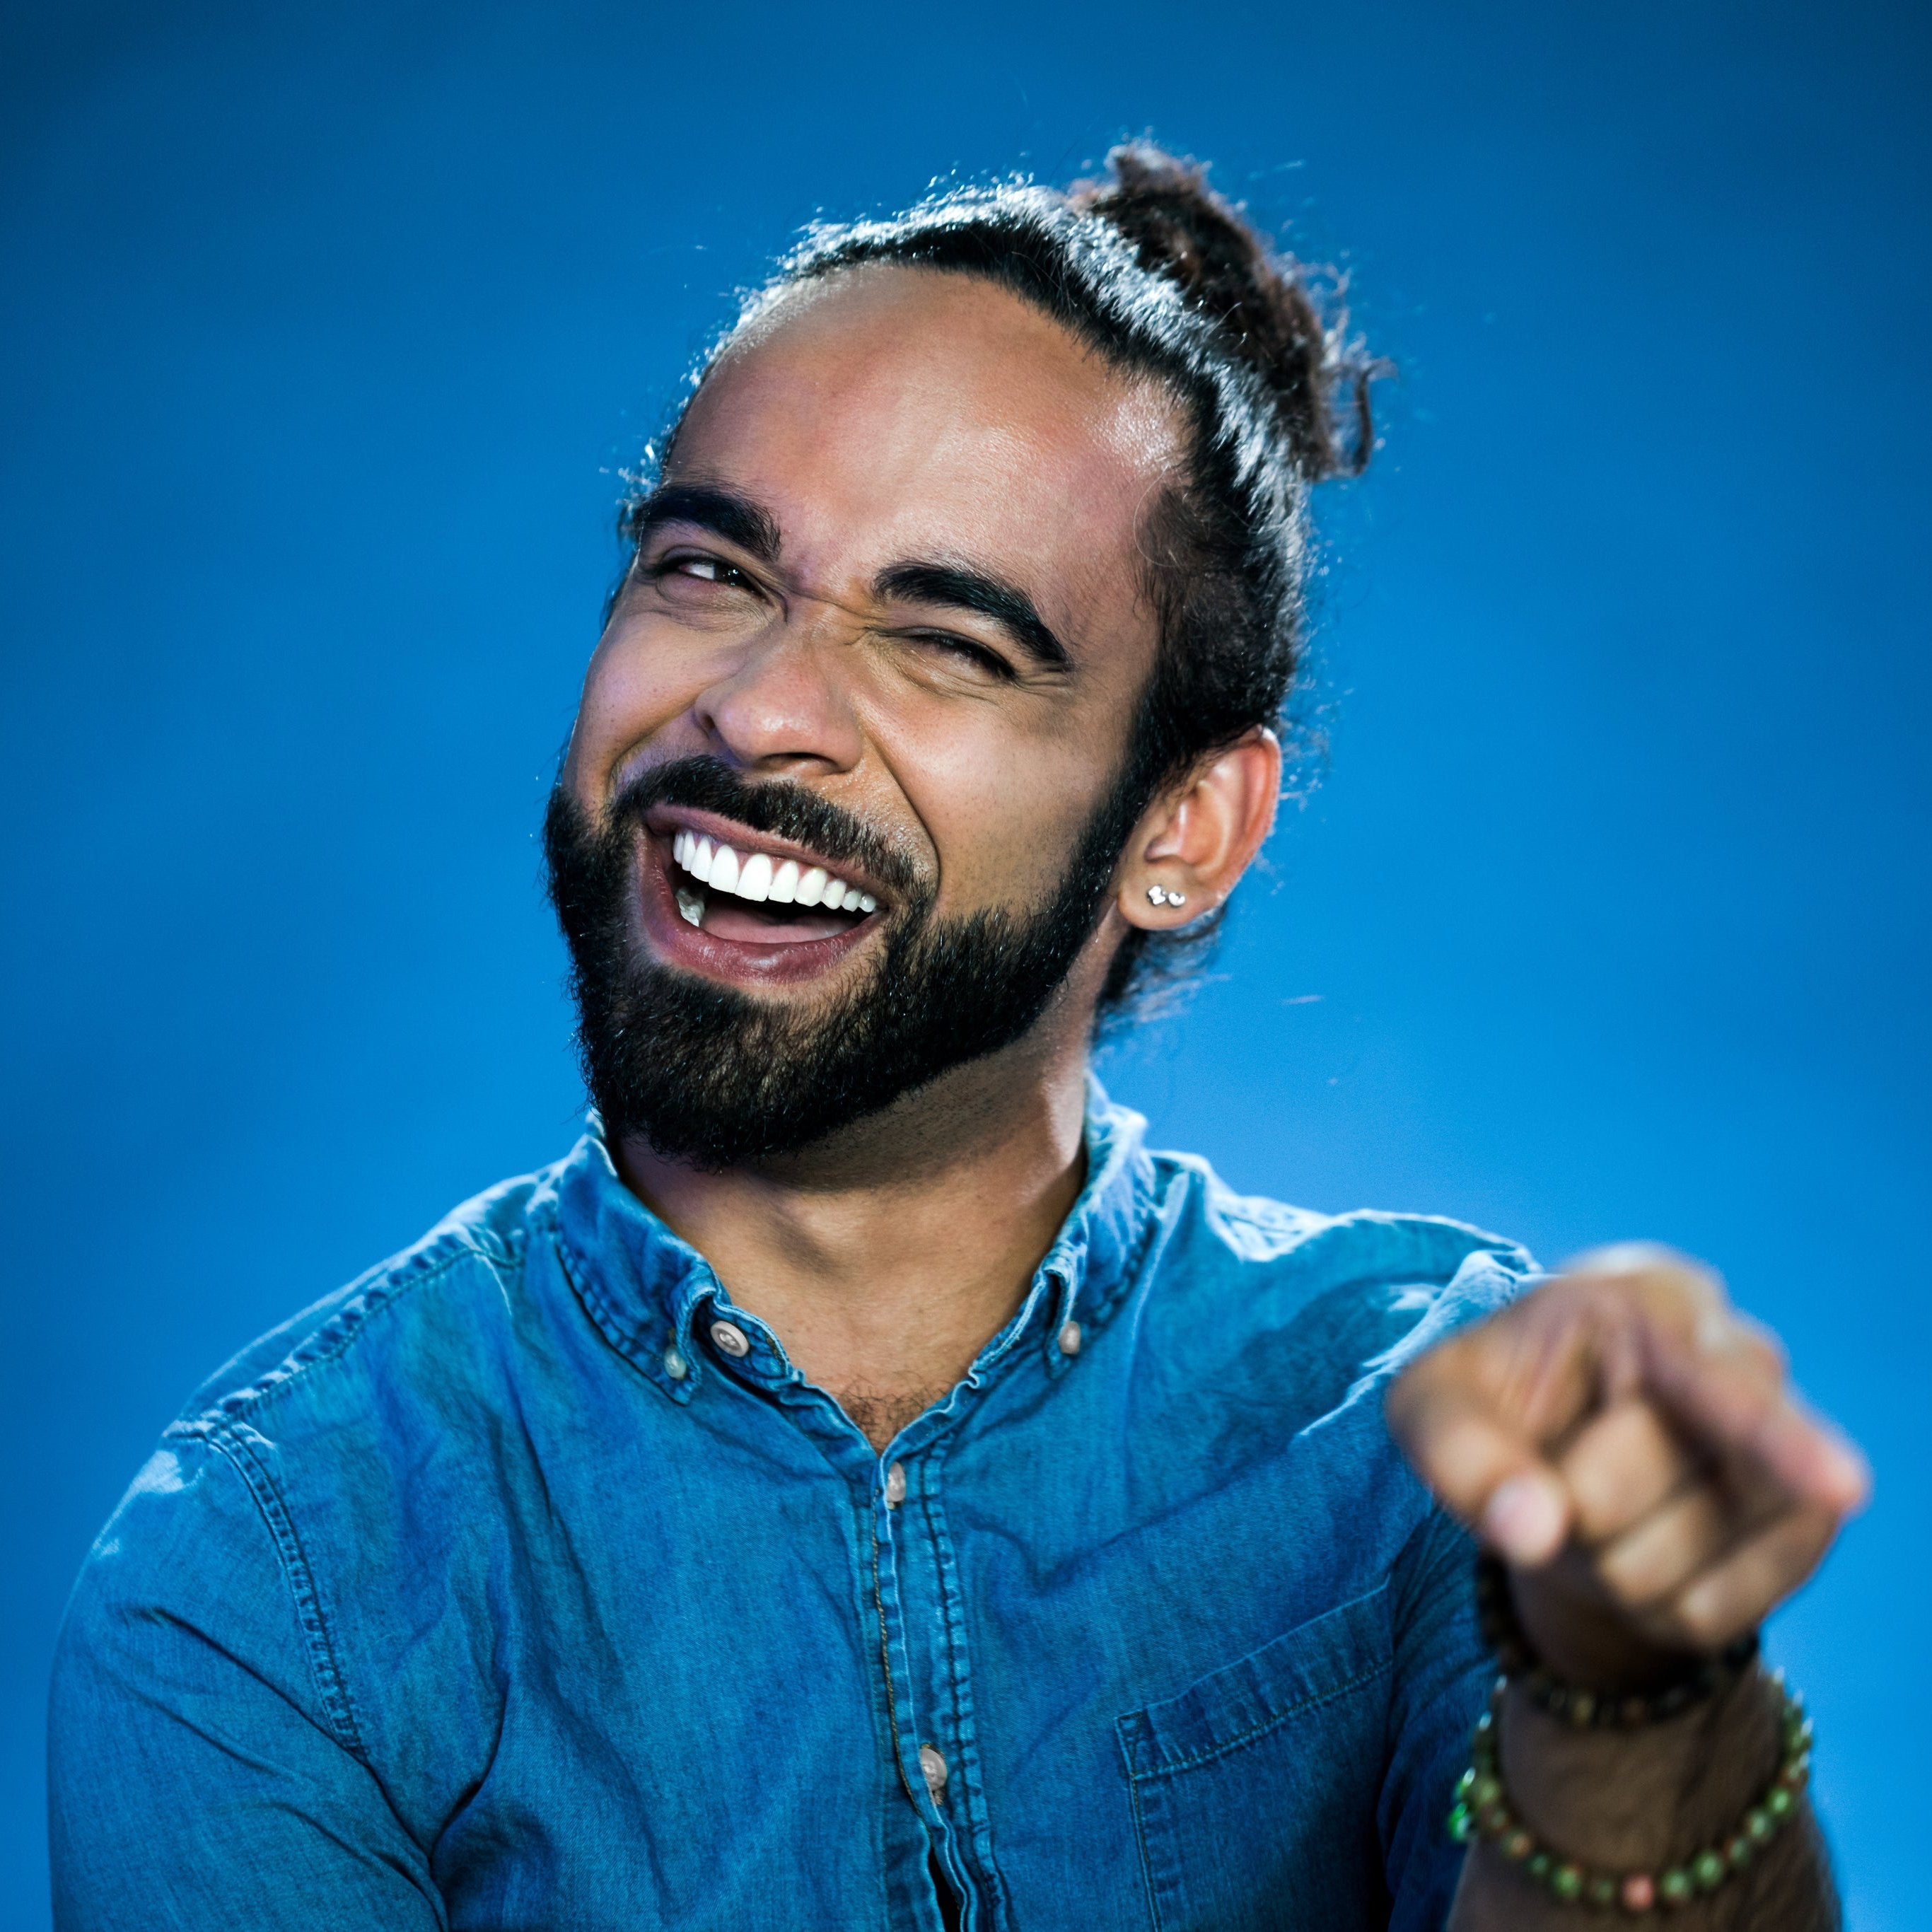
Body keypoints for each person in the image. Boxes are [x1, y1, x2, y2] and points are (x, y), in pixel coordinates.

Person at [48, 147, 1868, 1931]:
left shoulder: (1433, 1446)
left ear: (1185, 829)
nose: (755, 709)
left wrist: (1633, 1697)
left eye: (946, 642)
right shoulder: (264, 1576)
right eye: (707, 570)